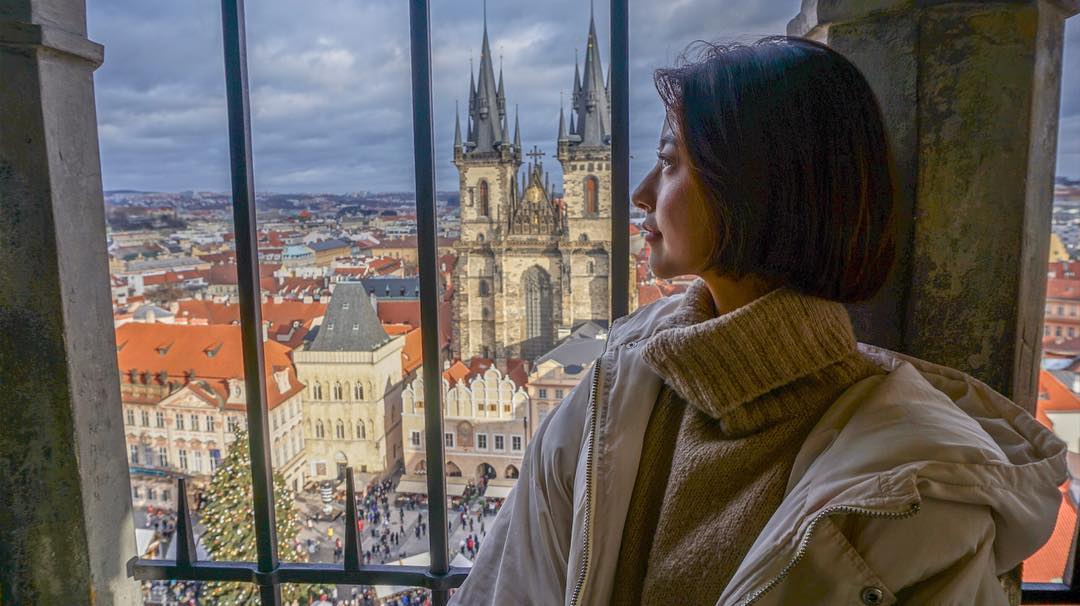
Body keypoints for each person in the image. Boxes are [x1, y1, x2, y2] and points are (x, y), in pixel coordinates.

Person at [448, 36, 1067, 605]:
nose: (639, 193)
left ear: (752, 189)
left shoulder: (920, 491)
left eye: (669, 161)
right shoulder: (613, 384)